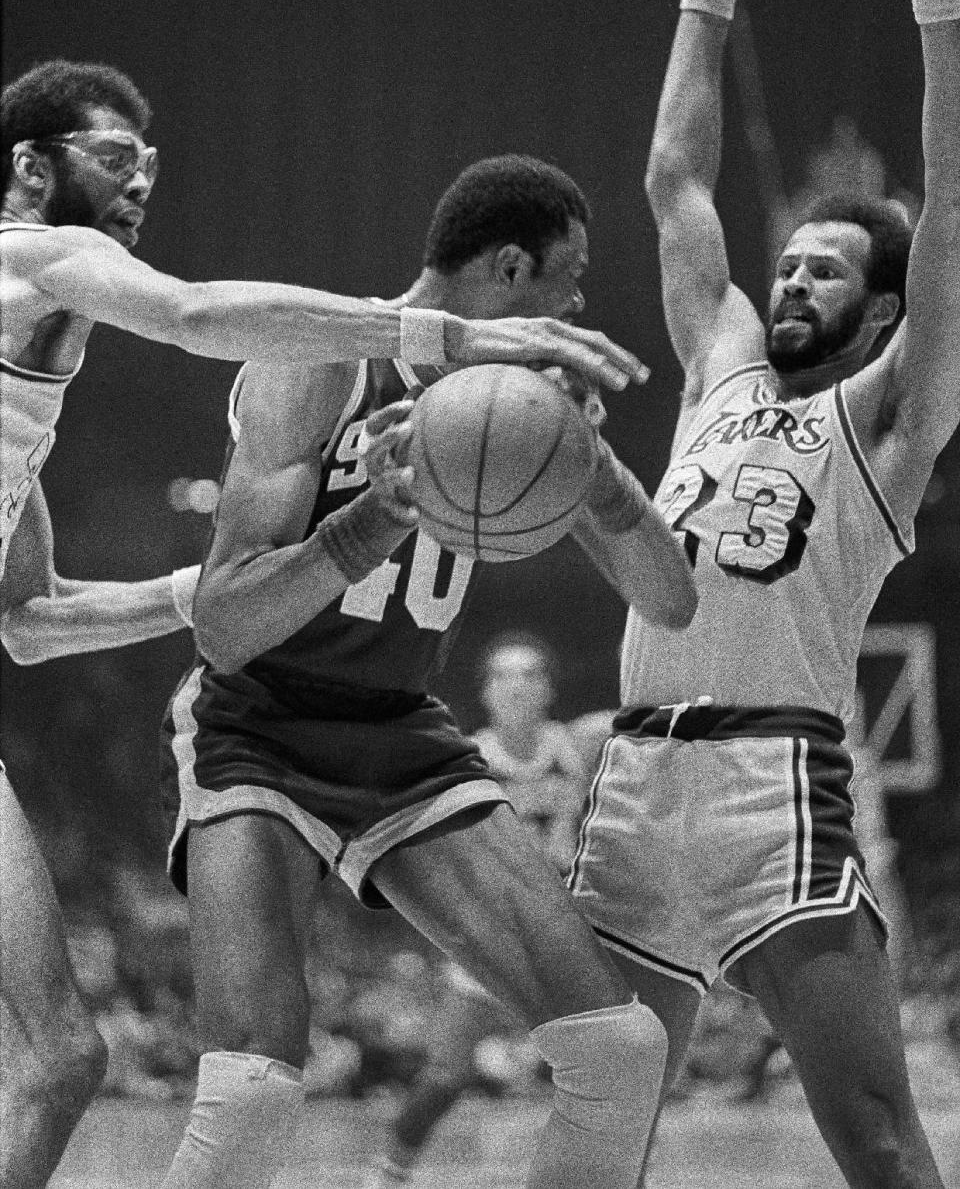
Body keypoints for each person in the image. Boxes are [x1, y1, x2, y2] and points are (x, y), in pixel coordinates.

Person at [0, 59, 647, 1189]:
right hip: (260, 734)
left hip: (393, 730)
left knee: (59, 1059)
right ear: (27, 166)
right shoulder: (33, 252)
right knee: (166, 1076)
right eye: (114, 156)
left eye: (150, 162)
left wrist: (219, 586)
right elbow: (197, 312)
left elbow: (26, 621)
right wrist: (454, 342)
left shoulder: (30, 393)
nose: (140, 180)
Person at [158, 152, 697, 1189]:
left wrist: (600, 471)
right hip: (257, 726)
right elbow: (225, 626)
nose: (578, 304)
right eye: (568, 278)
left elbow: (670, 598)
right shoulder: (319, 362)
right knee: (257, 1094)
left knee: (619, 1054)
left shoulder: (526, 405)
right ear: (507, 269)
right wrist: (377, 514)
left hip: (400, 728)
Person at [568, 0, 960, 1188]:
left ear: (885, 309)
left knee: (874, 1139)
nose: (790, 283)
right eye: (786, 264)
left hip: (767, 780)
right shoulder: (720, 367)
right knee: (596, 1121)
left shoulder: (889, 422)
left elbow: (956, 208)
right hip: (630, 777)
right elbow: (675, 181)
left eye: (825, 273)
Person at [365, 631, 599, 1186]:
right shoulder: (465, 756)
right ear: (487, 691)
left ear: (548, 688)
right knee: (446, 1073)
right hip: (489, 934)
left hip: (564, 933)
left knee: (605, 1069)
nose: (515, 686)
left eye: (528, 674)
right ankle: (390, 1172)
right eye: (502, 675)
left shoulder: (581, 746)